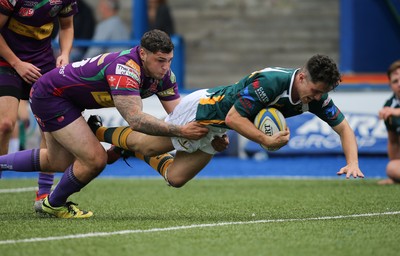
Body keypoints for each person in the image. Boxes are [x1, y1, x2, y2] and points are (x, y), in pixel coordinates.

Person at [0, 29, 209, 218]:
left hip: (63, 98)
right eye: (160, 60)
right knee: (95, 159)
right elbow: (136, 120)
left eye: (169, 60)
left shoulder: (164, 76)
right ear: (143, 54)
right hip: (51, 96)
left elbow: (180, 114)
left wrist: (211, 131)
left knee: (59, 162)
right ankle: (53, 204)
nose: (165, 67)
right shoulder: (125, 69)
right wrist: (181, 130)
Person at [88, 54, 365, 188]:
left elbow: (343, 128)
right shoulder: (271, 82)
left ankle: (128, 149)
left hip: (219, 126)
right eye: (315, 90)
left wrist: (352, 162)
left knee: (175, 179)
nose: (316, 97)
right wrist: (266, 140)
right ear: (302, 77)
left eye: (322, 93)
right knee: (147, 145)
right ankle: (98, 130)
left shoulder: (316, 96)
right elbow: (234, 117)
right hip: (202, 111)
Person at [0, 1, 77, 180]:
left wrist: (64, 54)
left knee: (50, 130)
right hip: (6, 61)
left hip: (42, 63)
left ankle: (43, 194)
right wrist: (17, 63)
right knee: (5, 124)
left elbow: (67, 26)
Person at [378, 60, 400, 185]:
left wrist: (396, 112)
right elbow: (393, 142)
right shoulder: (389, 106)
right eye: (395, 81)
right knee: (391, 167)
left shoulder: (391, 110)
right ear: (390, 85)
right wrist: (395, 176)